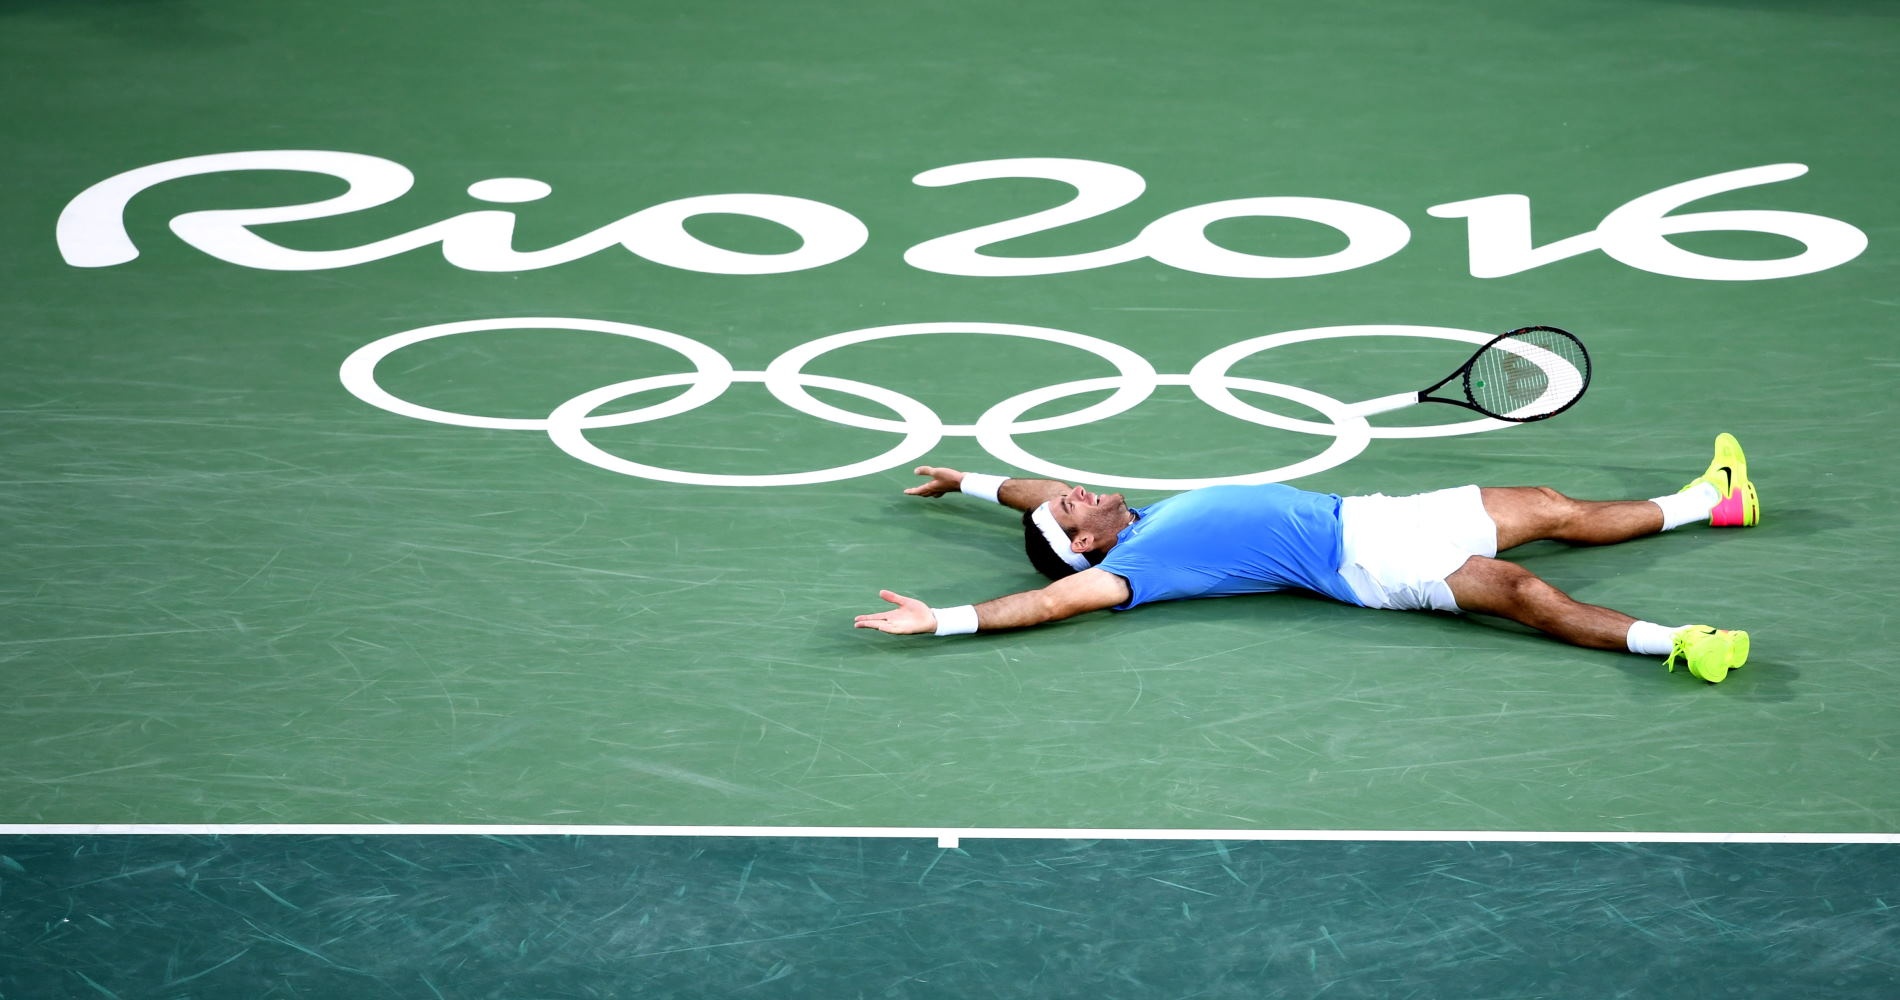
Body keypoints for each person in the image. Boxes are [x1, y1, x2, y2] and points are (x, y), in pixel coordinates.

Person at [852, 434, 1760, 683]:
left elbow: (1031, 494)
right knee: (1523, 590)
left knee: (1552, 508)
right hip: (1368, 566)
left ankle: (1713, 502)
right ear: (1085, 545)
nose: (1071, 487)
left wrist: (966, 479)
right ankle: (1679, 643)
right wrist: (947, 619)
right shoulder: (1137, 567)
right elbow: (1047, 603)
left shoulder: (1140, 514)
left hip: (1375, 511)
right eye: (1071, 505)